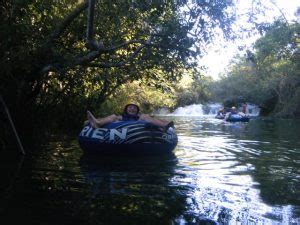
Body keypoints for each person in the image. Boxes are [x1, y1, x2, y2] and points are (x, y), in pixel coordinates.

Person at [86, 103, 174, 131]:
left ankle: (163, 125)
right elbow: (111, 119)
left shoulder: (140, 117)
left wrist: (163, 122)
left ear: (137, 111)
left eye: (134, 108)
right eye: (130, 108)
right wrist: (88, 122)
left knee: (146, 116)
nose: (132, 109)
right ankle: (97, 122)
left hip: (139, 127)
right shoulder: (121, 117)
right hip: (123, 130)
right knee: (113, 116)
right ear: (126, 109)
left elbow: (152, 119)